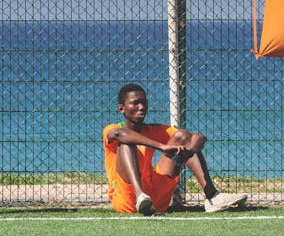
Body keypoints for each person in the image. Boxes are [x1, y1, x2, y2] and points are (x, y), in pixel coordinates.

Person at [103, 83, 247, 215]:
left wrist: (189, 153)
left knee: (182, 137)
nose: (142, 107)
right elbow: (119, 134)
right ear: (121, 108)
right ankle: (140, 195)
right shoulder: (113, 129)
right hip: (127, 201)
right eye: (135, 103)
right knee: (126, 143)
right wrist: (161, 146)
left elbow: (197, 138)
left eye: (144, 102)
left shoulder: (153, 129)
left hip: (157, 200)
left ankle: (212, 197)